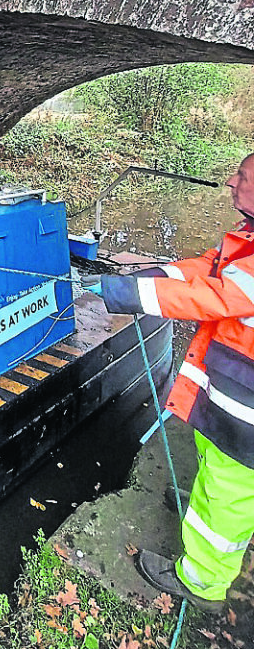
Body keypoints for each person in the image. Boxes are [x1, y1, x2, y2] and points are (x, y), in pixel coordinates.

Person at [98, 154, 254, 612]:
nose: (229, 179)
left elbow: (211, 296)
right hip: (236, 394)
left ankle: (202, 579)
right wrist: (138, 278)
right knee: (218, 462)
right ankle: (204, 510)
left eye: (242, 176)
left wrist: (123, 294)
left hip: (247, 411)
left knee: (231, 486)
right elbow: (205, 270)